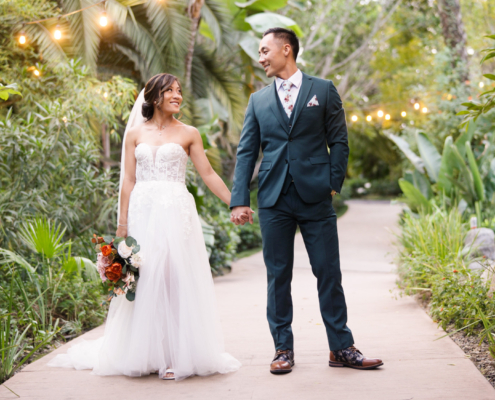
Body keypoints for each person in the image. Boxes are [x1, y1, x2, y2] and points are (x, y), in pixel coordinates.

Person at [48, 73, 241, 381]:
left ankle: (176, 355)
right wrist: (122, 223)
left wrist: (235, 203)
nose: (177, 96)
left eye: (179, 91)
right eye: (170, 91)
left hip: (176, 211)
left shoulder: (190, 133)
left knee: (174, 277)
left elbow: (208, 174)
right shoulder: (135, 134)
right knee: (144, 279)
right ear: (154, 97)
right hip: (142, 210)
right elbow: (128, 179)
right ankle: (148, 352)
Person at [230, 28, 383, 374]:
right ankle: (282, 349)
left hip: (315, 197)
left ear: (287, 49)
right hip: (273, 197)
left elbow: (339, 141)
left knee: (328, 271)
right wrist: (239, 199)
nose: (261, 57)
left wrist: (332, 182)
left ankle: (341, 348)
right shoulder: (258, 101)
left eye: (265, 50)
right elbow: (246, 153)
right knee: (278, 276)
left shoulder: (323, 90)